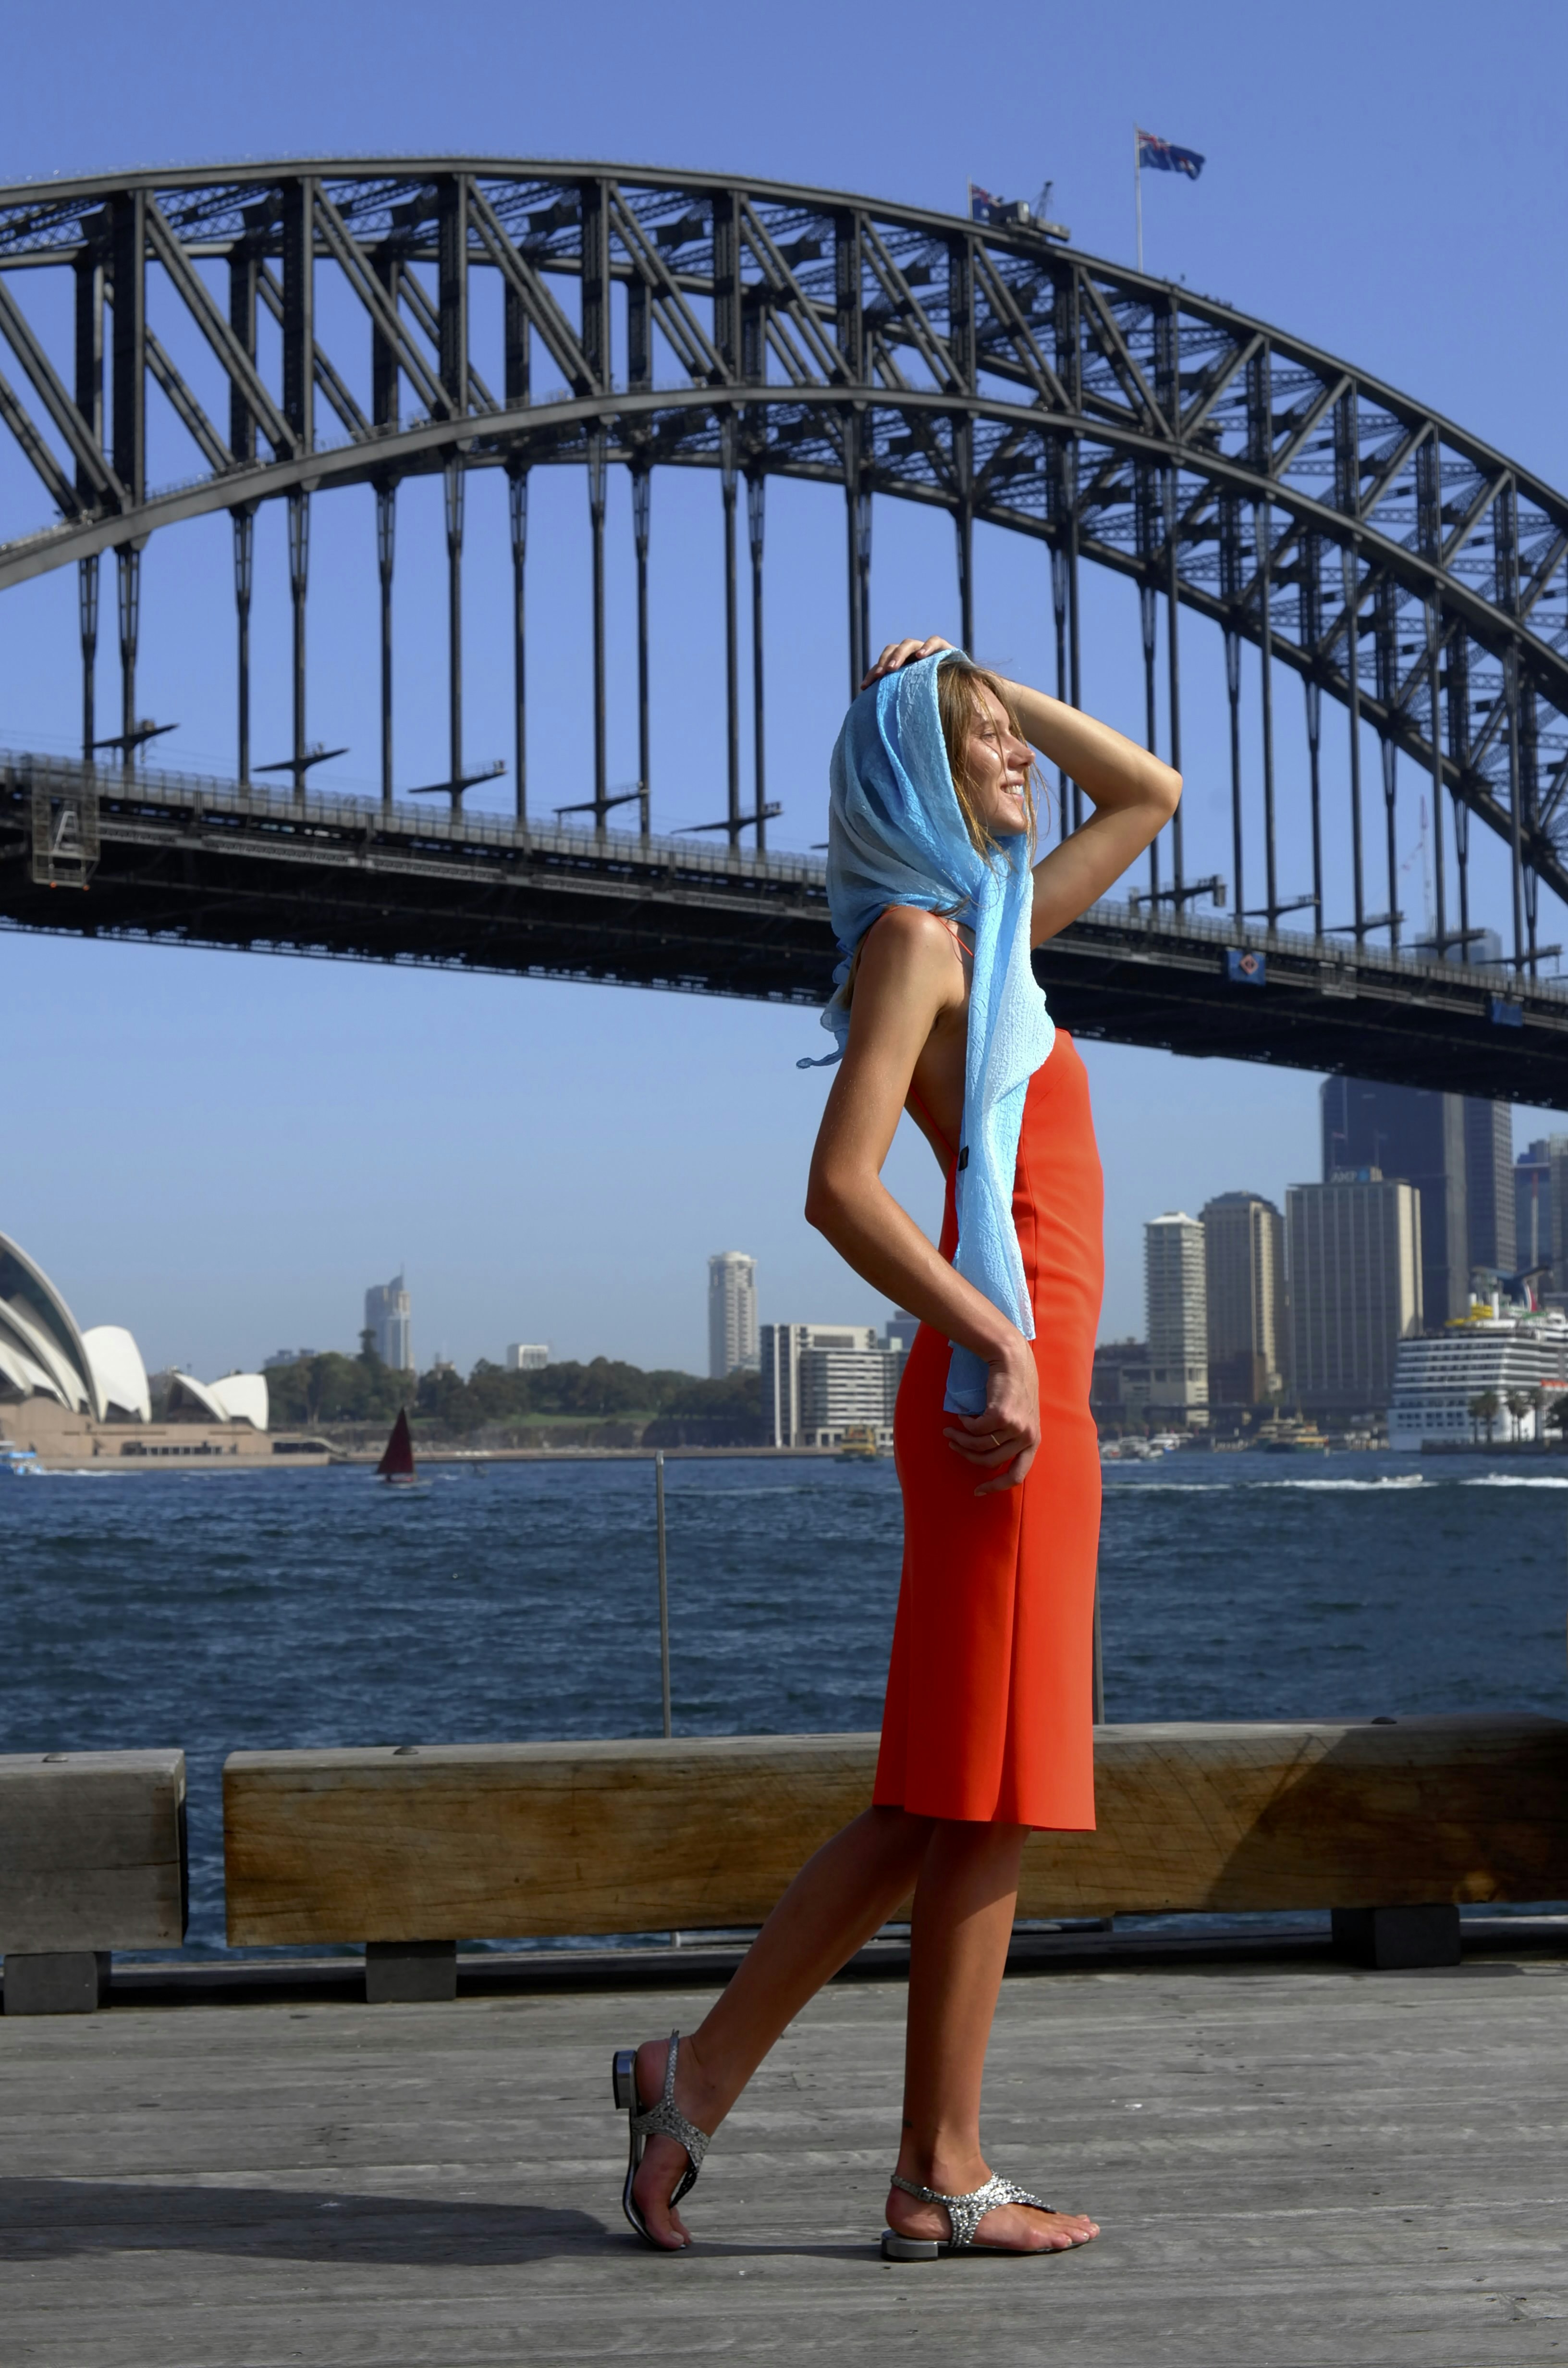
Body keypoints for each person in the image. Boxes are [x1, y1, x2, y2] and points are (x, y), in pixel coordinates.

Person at [613, 634, 1180, 2259]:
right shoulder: (921, 948)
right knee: (978, 1794)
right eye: (993, 745)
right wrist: (999, 1342)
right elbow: (841, 1185)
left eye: (1015, 740)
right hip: (1003, 1397)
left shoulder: (994, 936)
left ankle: (700, 2080)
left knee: (953, 1794)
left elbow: (1150, 790)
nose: (1024, 765)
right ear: (928, 782)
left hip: (1025, 1389)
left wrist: (981, 674)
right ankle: (936, 2169)